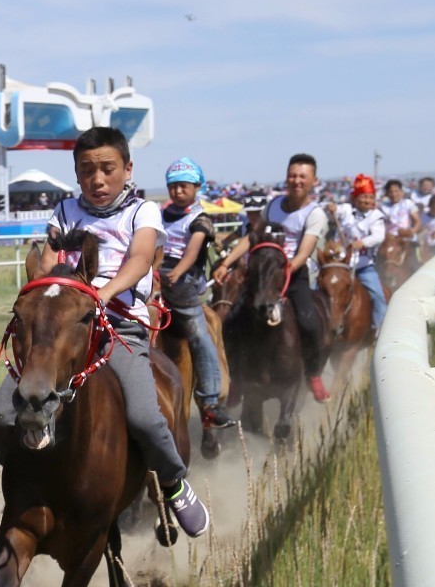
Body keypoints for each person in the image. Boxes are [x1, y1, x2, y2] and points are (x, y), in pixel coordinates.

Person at [0, 127, 212, 540]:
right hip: (66, 328)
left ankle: (173, 481)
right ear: (76, 174)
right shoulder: (65, 211)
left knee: (145, 416)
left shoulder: (142, 212)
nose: (98, 179)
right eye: (87, 170)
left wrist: (100, 294)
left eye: (108, 169)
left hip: (120, 326)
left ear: (127, 169)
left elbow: (142, 257)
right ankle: (30, 479)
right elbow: (51, 259)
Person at [213, 153, 332, 402]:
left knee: (310, 324)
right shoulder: (273, 205)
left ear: (313, 180)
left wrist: (287, 269)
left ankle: (312, 374)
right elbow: (251, 237)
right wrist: (227, 263)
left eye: (302, 176)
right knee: (232, 321)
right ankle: (236, 378)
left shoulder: (315, 214)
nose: (296, 181)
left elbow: (304, 251)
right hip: (263, 274)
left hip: (292, 275)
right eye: (292, 175)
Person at [158, 157, 236, 429]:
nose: (178, 191)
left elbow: (193, 249)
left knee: (200, 336)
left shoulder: (200, 219)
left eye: (184, 186)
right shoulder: (159, 214)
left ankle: (210, 402)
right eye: (173, 187)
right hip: (153, 275)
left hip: (182, 284)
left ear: (197, 187)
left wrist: (177, 271)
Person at [333, 174, 388, 333]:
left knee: (378, 297)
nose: (367, 201)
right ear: (355, 198)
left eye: (370, 197)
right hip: (342, 266)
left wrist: (362, 242)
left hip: (364, 267)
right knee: (319, 287)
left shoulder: (376, 216)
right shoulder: (347, 210)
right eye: (363, 197)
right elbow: (339, 210)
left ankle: (379, 330)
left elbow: (379, 236)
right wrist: (333, 208)